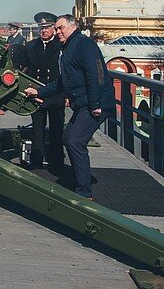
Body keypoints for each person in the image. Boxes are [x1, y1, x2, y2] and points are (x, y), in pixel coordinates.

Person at [23, 14, 115, 198]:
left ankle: (84, 192)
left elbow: (96, 73)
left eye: (60, 28)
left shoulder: (83, 44)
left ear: (72, 27)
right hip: (83, 103)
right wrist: (39, 92)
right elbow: (61, 82)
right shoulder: (69, 48)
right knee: (68, 138)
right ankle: (78, 178)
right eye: (56, 29)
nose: (57, 32)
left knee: (75, 140)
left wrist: (95, 103)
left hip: (94, 104)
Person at [21, 12, 64, 169]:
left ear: (53, 27)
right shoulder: (31, 46)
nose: (44, 31)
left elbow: (64, 73)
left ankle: (57, 161)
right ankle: (36, 160)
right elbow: (25, 70)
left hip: (55, 94)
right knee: (37, 130)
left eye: (47, 27)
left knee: (56, 130)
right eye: (41, 28)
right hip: (36, 94)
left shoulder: (60, 46)